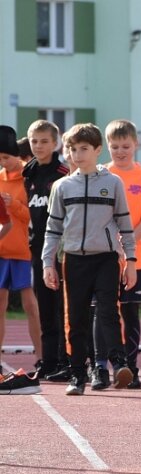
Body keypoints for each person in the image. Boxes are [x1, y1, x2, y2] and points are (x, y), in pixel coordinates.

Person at [42, 123, 137, 396]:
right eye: (72, 149)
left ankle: (118, 364)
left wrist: (130, 261)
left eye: (84, 148)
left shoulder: (113, 183)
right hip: (73, 260)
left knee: (108, 311)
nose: (78, 153)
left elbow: (125, 224)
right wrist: (47, 263)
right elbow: (53, 229)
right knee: (76, 320)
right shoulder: (61, 187)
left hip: (106, 258)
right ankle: (77, 375)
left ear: (97, 150)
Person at [91, 119, 141, 388]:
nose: (120, 151)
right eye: (115, 146)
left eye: (125, 146)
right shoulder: (99, 174)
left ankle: (131, 368)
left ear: (136, 145)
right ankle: (102, 367)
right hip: (103, 257)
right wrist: (111, 243)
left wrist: (126, 244)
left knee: (131, 314)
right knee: (102, 312)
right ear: (107, 146)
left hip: (134, 259)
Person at [23, 120, 70, 381]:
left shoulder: (62, 173)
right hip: (37, 252)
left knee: (61, 306)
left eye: (44, 141)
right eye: (34, 141)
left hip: (60, 252)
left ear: (56, 143)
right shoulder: (28, 173)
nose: (38, 146)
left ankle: (67, 361)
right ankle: (48, 362)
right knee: (45, 310)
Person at [0, 126, 42, 370]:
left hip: (24, 252)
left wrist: (13, 204)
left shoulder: (29, 180)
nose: (3, 162)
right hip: (1, 251)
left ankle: (41, 356)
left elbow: (33, 217)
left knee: (30, 305)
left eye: (6, 157)